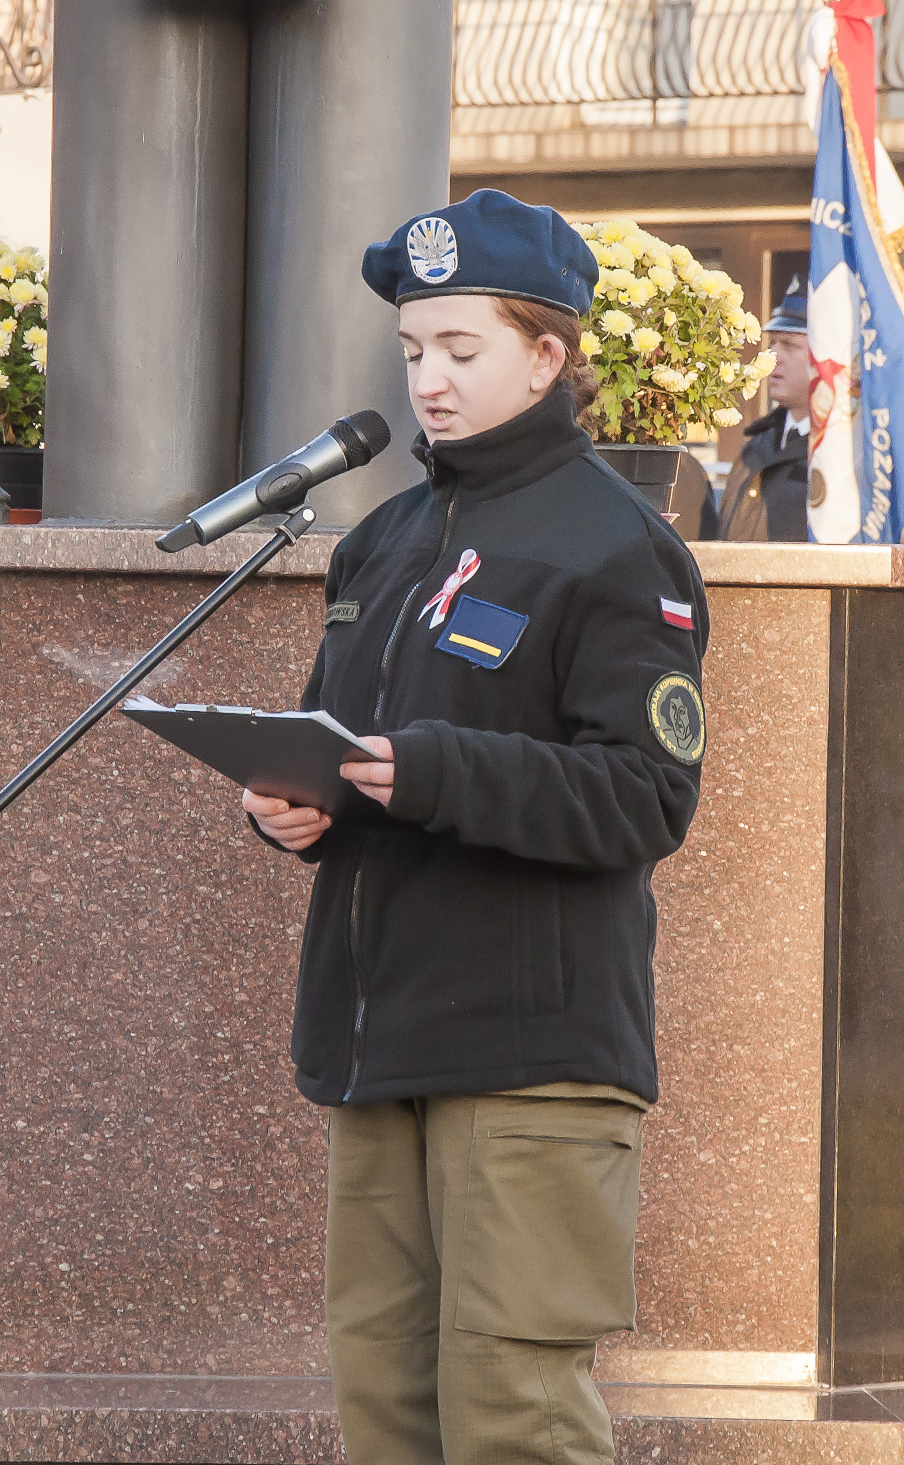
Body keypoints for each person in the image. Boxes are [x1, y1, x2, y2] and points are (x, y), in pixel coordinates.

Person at [243, 189, 708, 1465]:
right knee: (386, 1411)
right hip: (374, 1038)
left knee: (514, 1419)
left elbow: (644, 794)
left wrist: (435, 771)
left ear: (547, 356)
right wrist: (294, 803)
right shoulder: (383, 541)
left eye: (460, 348)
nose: (427, 381)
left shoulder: (616, 545)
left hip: (527, 1058)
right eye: (412, 350)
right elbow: (344, 746)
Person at [717, 272, 810, 541]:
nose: (773, 356)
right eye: (772, 344)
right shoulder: (756, 445)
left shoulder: (843, 453)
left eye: (789, 345)